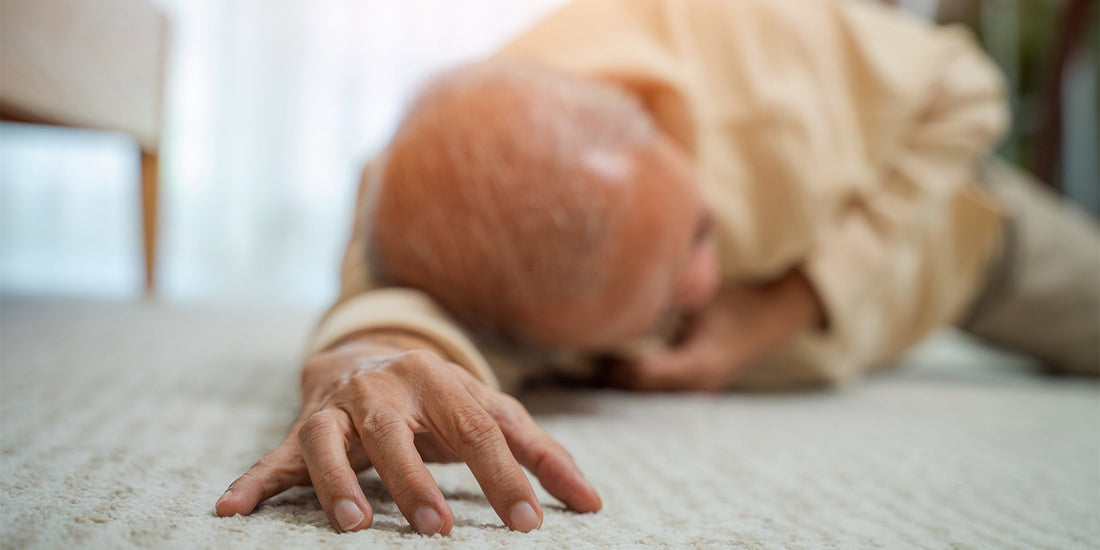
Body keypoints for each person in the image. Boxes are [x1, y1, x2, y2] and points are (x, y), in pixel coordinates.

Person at [214, 0, 1100, 536]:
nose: (707, 288)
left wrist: (790, 301)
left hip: (952, 245)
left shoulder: (743, 33)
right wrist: (367, 366)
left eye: (699, 231)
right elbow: (393, 325)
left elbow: (969, 87)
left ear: (647, 121)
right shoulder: (417, 201)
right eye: (657, 311)